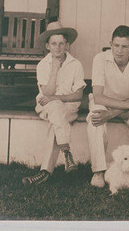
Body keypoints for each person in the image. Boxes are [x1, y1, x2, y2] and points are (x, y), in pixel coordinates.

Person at [22, 21, 86, 186]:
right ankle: (66, 151)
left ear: (67, 45)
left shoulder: (76, 64)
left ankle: (45, 172)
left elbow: (79, 95)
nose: (57, 47)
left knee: (56, 119)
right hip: (47, 106)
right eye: (53, 44)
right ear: (47, 46)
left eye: (61, 43)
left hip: (69, 107)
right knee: (55, 108)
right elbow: (47, 94)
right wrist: (55, 69)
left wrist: (58, 98)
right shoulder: (43, 65)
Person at [86, 25, 129, 188]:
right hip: (105, 103)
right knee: (95, 120)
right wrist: (111, 113)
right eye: (116, 45)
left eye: (124, 46)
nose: (119, 51)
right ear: (110, 44)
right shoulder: (100, 59)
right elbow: (98, 96)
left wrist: (113, 113)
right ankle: (98, 171)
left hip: (128, 106)